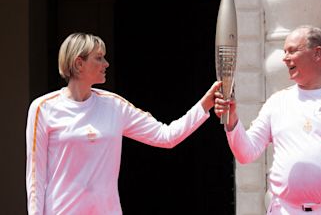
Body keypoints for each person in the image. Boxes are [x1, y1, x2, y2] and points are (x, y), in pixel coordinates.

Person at [25, 32, 222, 215]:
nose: (106, 63)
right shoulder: (43, 108)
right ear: (79, 64)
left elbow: (166, 136)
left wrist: (205, 104)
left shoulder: (114, 106)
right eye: (99, 57)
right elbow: (36, 176)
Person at [214, 25, 321, 214]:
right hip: (284, 210)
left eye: (292, 51)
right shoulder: (277, 101)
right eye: (284, 52)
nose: (285, 58)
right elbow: (246, 153)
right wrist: (232, 120)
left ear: (317, 53)